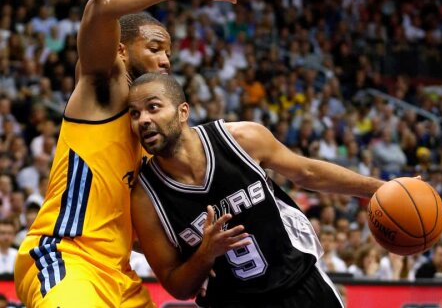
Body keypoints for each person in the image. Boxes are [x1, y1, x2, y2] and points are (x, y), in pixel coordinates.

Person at [14, 0, 269, 307]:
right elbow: (102, 4)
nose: (165, 61)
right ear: (119, 50)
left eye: (168, 53)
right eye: (154, 48)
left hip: (118, 274)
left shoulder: (152, 135)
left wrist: (203, 255)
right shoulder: (101, 89)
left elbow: (138, 234)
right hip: (65, 255)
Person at [128, 73, 384, 308]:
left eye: (153, 108)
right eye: (135, 114)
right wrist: (205, 254)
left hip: (300, 286)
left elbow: (308, 172)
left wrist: (380, 189)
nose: (143, 120)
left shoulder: (240, 139)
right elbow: (177, 287)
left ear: (183, 111)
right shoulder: (145, 197)